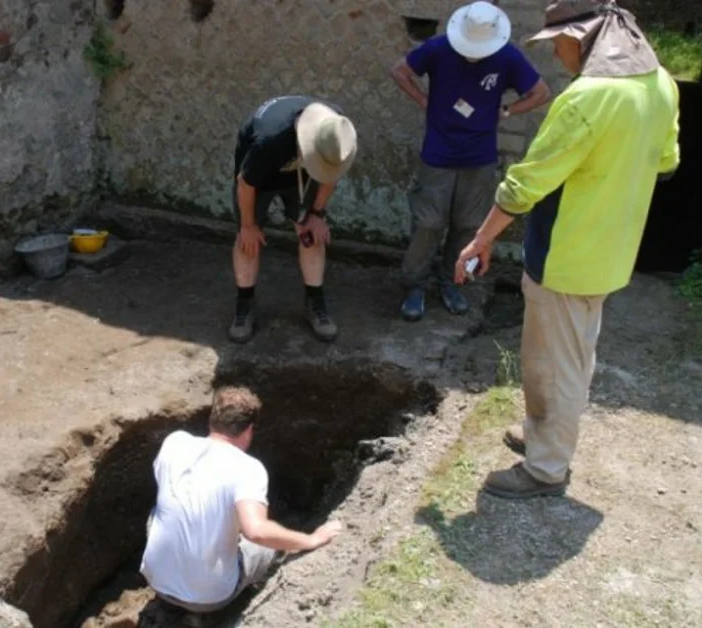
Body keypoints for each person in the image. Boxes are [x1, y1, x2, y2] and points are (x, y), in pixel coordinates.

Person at [454, 0, 681, 499]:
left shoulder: (588, 99)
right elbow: (667, 158)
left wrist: (482, 238)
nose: (556, 54)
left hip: (565, 254)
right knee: (570, 354)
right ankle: (544, 436)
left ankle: (545, 469)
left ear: (584, 36)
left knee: (555, 364)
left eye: (559, 42)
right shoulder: (661, 82)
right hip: (613, 248)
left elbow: (525, 185)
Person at [390, 1, 550, 321]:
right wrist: (425, 101)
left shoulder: (506, 56)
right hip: (437, 153)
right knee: (428, 223)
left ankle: (452, 281)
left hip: (480, 157)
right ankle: (414, 285)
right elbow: (400, 70)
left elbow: (540, 92)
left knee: (468, 226)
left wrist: (505, 111)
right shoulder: (439, 48)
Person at [139, 386, 344, 613]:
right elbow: (256, 531)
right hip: (209, 598)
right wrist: (310, 540)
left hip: (156, 580)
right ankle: (223, 610)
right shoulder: (247, 469)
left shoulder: (174, 443)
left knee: (160, 512)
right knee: (266, 546)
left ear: (212, 420)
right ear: (248, 430)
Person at [228, 95, 358, 344]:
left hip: (300, 174)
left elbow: (332, 170)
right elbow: (245, 184)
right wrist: (248, 226)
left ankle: (315, 300)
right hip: (258, 180)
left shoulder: (335, 131)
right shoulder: (269, 140)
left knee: (312, 234)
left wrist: (316, 214)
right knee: (248, 240)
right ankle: (244, 304)